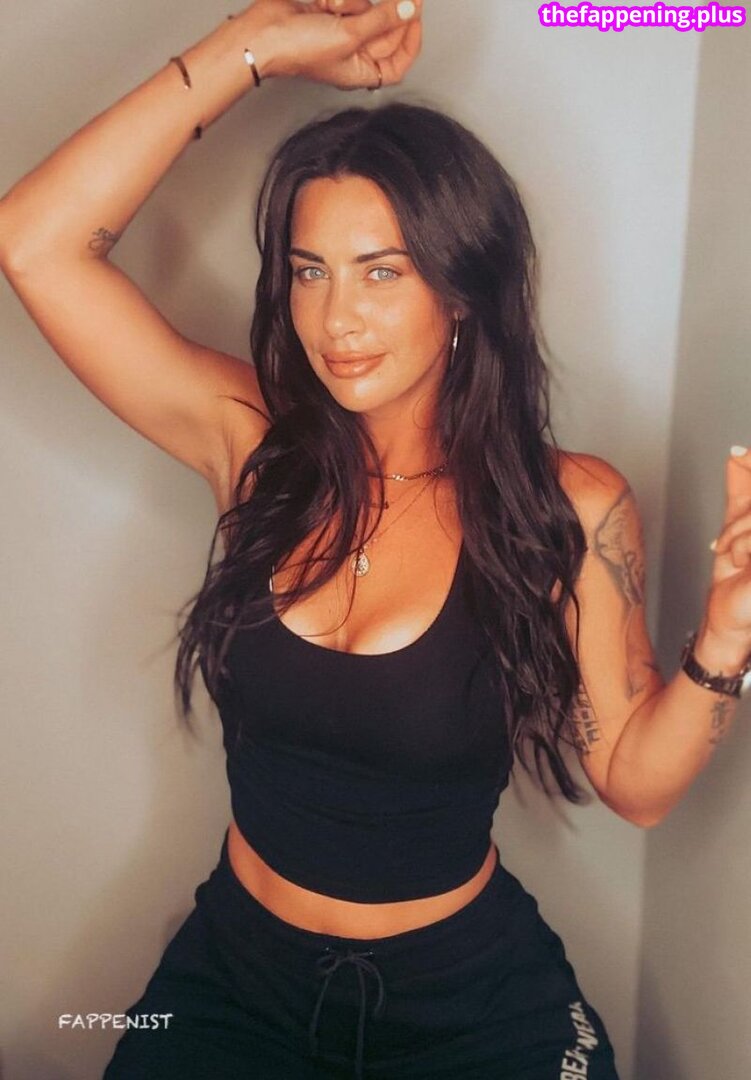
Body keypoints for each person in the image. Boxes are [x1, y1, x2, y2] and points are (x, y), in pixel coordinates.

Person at [2, 0, 750, 1076]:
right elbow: (34, 243)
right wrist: (256, 46)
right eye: (309, 271)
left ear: (460, 291)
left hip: (469, 1001)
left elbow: (636, 782)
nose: (335, 318)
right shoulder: (253, 445)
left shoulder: (563, 506)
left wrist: (725, 639)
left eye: (381, 270)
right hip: (237, 981)